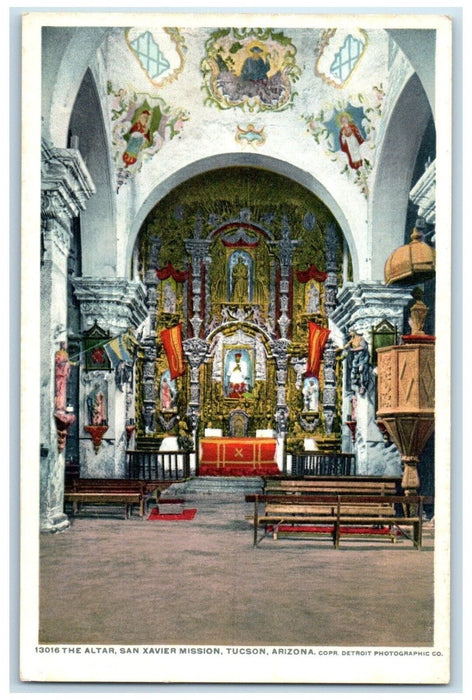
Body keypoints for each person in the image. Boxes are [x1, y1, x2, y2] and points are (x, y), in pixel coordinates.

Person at [338, 329, 370, 395]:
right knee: (354, 370)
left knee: (361, 370)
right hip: (356, 357)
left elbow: (363, 347)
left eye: (351, 332)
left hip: (362, 357)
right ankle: (356, 383)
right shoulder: (353, 339)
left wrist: (352, 349)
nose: (350, 333)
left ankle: (363, 385)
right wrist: (342, 348)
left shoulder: (360, 338)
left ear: (354, 332)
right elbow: (347, 345)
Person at [54, 342, 71, 412]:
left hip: (64, 375)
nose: (65, 347)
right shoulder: (58, 353)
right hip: (59, 374)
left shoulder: (66, 354)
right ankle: (58, 405)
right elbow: (58, 362)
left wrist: (68, 364)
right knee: (59, 391)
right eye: (64, 345)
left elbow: (68, 363)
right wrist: (63, 362)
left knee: (63, 392)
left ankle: (62, 405)